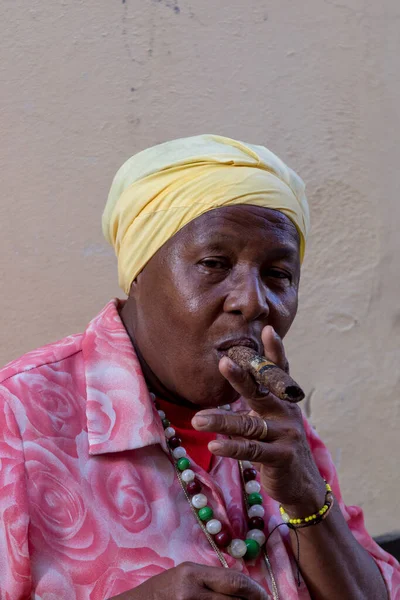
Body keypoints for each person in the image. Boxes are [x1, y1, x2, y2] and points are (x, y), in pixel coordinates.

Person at [0, 134, 398, 600]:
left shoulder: (277, 421)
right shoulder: (17, 421)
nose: (253, 302)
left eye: (278, 276)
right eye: (214, 263)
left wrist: (306, 493)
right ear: (139, 272)